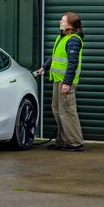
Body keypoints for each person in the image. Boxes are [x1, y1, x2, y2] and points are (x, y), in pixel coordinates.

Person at [35, 11, 85, 152]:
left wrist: (67, 83)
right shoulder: (61, 38)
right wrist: (44, 67)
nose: (60, 22)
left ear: (70, 25)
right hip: (58, 80)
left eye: (63, 20)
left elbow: (72, 63)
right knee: (57, 110)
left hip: (65, 82)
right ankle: (63, 141)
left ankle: (75, 142)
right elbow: (55, 57)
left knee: (67, 111)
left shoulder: (73, 40)